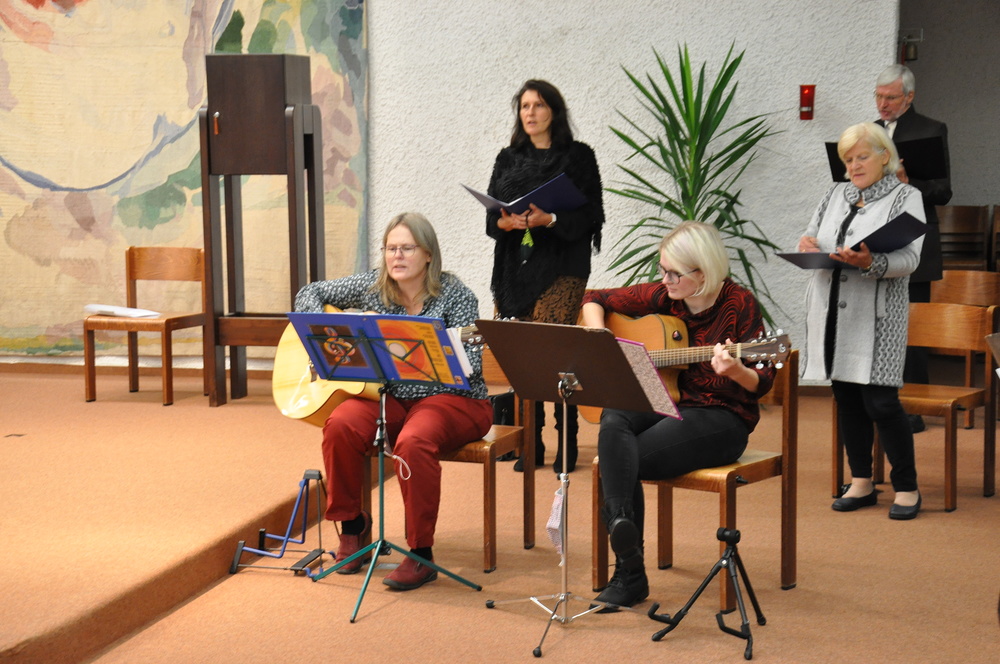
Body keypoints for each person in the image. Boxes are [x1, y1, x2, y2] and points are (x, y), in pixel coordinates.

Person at [294, 212, 494, 590]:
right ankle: (353, 527)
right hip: (393, 397)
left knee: (413, 441)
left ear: (428, 254)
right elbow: (311, 291)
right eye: (390, 248)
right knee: (340, 424)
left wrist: (437, 351)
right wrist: (325, 328)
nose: (396, 257)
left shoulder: (457, 295)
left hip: (453, 399)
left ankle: (421, 553)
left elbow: (471, 367)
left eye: (407, 248)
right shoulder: (374, 286)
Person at [581, 221, 775, 610]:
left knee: (626, 458)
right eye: (663, 270)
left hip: (721, 415)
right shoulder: (665, 297)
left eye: (674, 273)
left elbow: (762, 382)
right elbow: (593, 297)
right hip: (667, 398)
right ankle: (626, 544)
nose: (664, 280)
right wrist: (601, 335)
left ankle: (628, 570)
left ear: (703, 272)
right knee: (614, 414)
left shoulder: (739, 304)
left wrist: (736, 370)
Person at [799, 122, 926, 520]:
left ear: (884, 156)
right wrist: (807, 244)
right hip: (832, 311)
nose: (853, 165)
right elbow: (811, 235)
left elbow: (911, 259)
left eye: (862, 157)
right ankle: (861, 482)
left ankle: (906, 486)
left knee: (881, 402)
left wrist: (871, 261)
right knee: (847, 398)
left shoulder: (907, 196)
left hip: (878, 316)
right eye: (848, 159)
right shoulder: (835, 193)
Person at [486, 79, 605, 474]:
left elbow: (591, 216)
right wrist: (506, 222)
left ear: (554, 111)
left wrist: (549, 218)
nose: (530, 113)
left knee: (554, 355)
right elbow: (491, 218)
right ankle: (530, 441)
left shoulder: (579, 156)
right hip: (514, 269)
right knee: (523, 358)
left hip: (562, 267)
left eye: (538, 105)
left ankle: (566, 440)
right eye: (524, 106)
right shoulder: (507, 158)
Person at [874, 64, 952, 433]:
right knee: (879, 326)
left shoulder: (930, 129)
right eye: (879, 96)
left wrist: (909, 182)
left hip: (916, 239)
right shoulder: (870, 133)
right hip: (877, 238)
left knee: (913, 329)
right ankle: (880, 403)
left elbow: (943, 191)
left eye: (890, 97)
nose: (883, 104)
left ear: (909, 97)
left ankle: (914, 410)